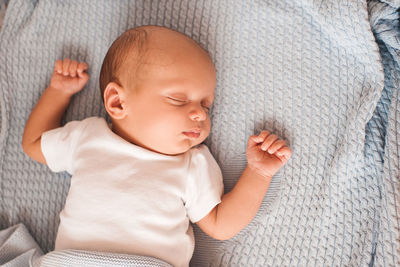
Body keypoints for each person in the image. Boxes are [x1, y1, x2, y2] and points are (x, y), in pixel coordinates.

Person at [22, 25, 292, 267]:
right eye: (178, 99)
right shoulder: (88, 137)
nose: (199, 114)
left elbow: (222, 224)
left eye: (205, 105)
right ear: (117, 103)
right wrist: (58, 92)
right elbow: (34, 144)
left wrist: (259, 172)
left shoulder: (191, 164)